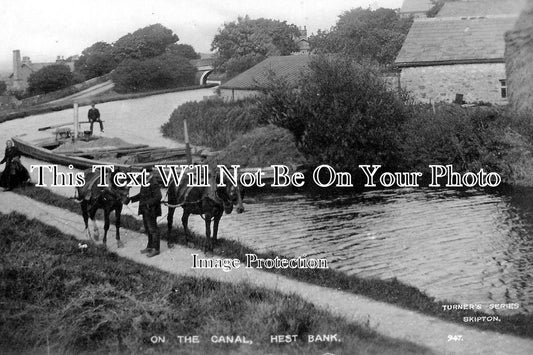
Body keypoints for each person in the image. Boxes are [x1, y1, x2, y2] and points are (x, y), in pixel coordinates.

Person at [129, 172, 162, 257]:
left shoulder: (153, 182)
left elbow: (158, 197)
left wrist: (148, 204)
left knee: (153, 229)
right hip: (145, 210)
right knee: (148, 228)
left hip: (151, 210)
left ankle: (156, 249)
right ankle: (150, 247)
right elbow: (142, 194)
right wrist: (131, 199)